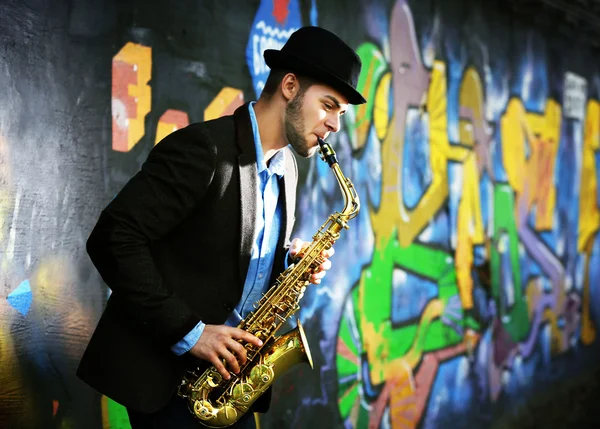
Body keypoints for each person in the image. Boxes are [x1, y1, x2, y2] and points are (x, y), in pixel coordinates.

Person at [77, 26, 367, 429]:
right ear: (289, 86)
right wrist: (192, 333)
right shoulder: (205, 150)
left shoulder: (288, 171)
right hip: (167, 380)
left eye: (341, 114)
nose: (335, 124)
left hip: (226, 386)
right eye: (329, 105)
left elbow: (228, 258)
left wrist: (287, 262)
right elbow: (113, 238)